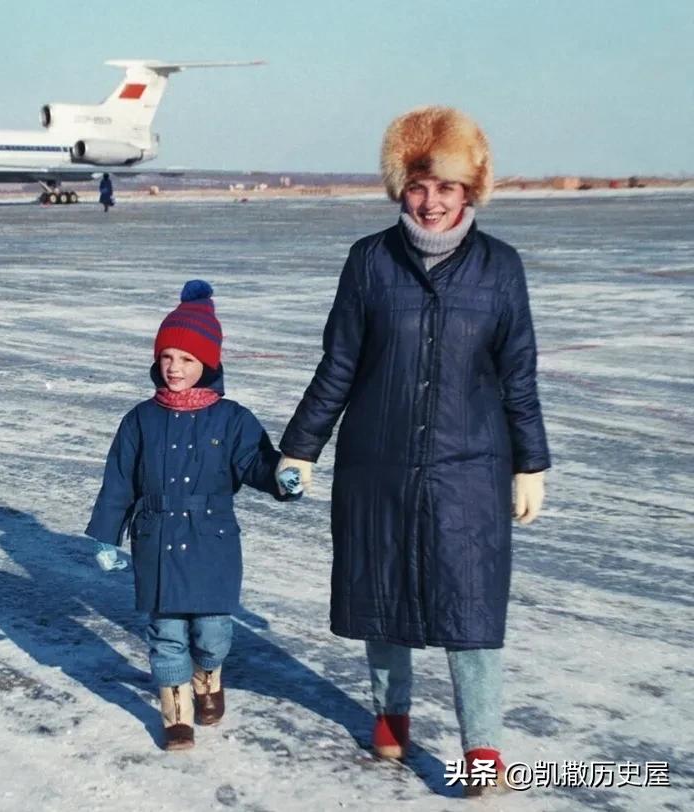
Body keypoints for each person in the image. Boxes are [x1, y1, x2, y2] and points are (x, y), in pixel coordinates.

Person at [276, 107, 549, 796]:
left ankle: (481, 749)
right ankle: (390, 719)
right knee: (384, 594)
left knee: (473, 609)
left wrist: (531, 462)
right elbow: (339, 364)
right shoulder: (370, 262)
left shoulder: (500, 269)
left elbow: (518, 374)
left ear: (470, 192)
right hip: (379, 459)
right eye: (419, 186)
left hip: (471, 466)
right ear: (401, 187)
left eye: (447, 188)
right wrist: (302, 447)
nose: (431, 202)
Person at [86, 280, 290, 751]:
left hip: (212, 539)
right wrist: (105, 538)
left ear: (209, 364)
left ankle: (208, 678)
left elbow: (256, 464)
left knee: (213, 632)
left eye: (187, 359)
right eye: (167, 358)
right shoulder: (140, 419)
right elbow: (119, 481)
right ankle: (176, 716)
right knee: (166, 634)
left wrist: (282, 476)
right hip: (157, 539)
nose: (175, 369)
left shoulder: (232, 418)